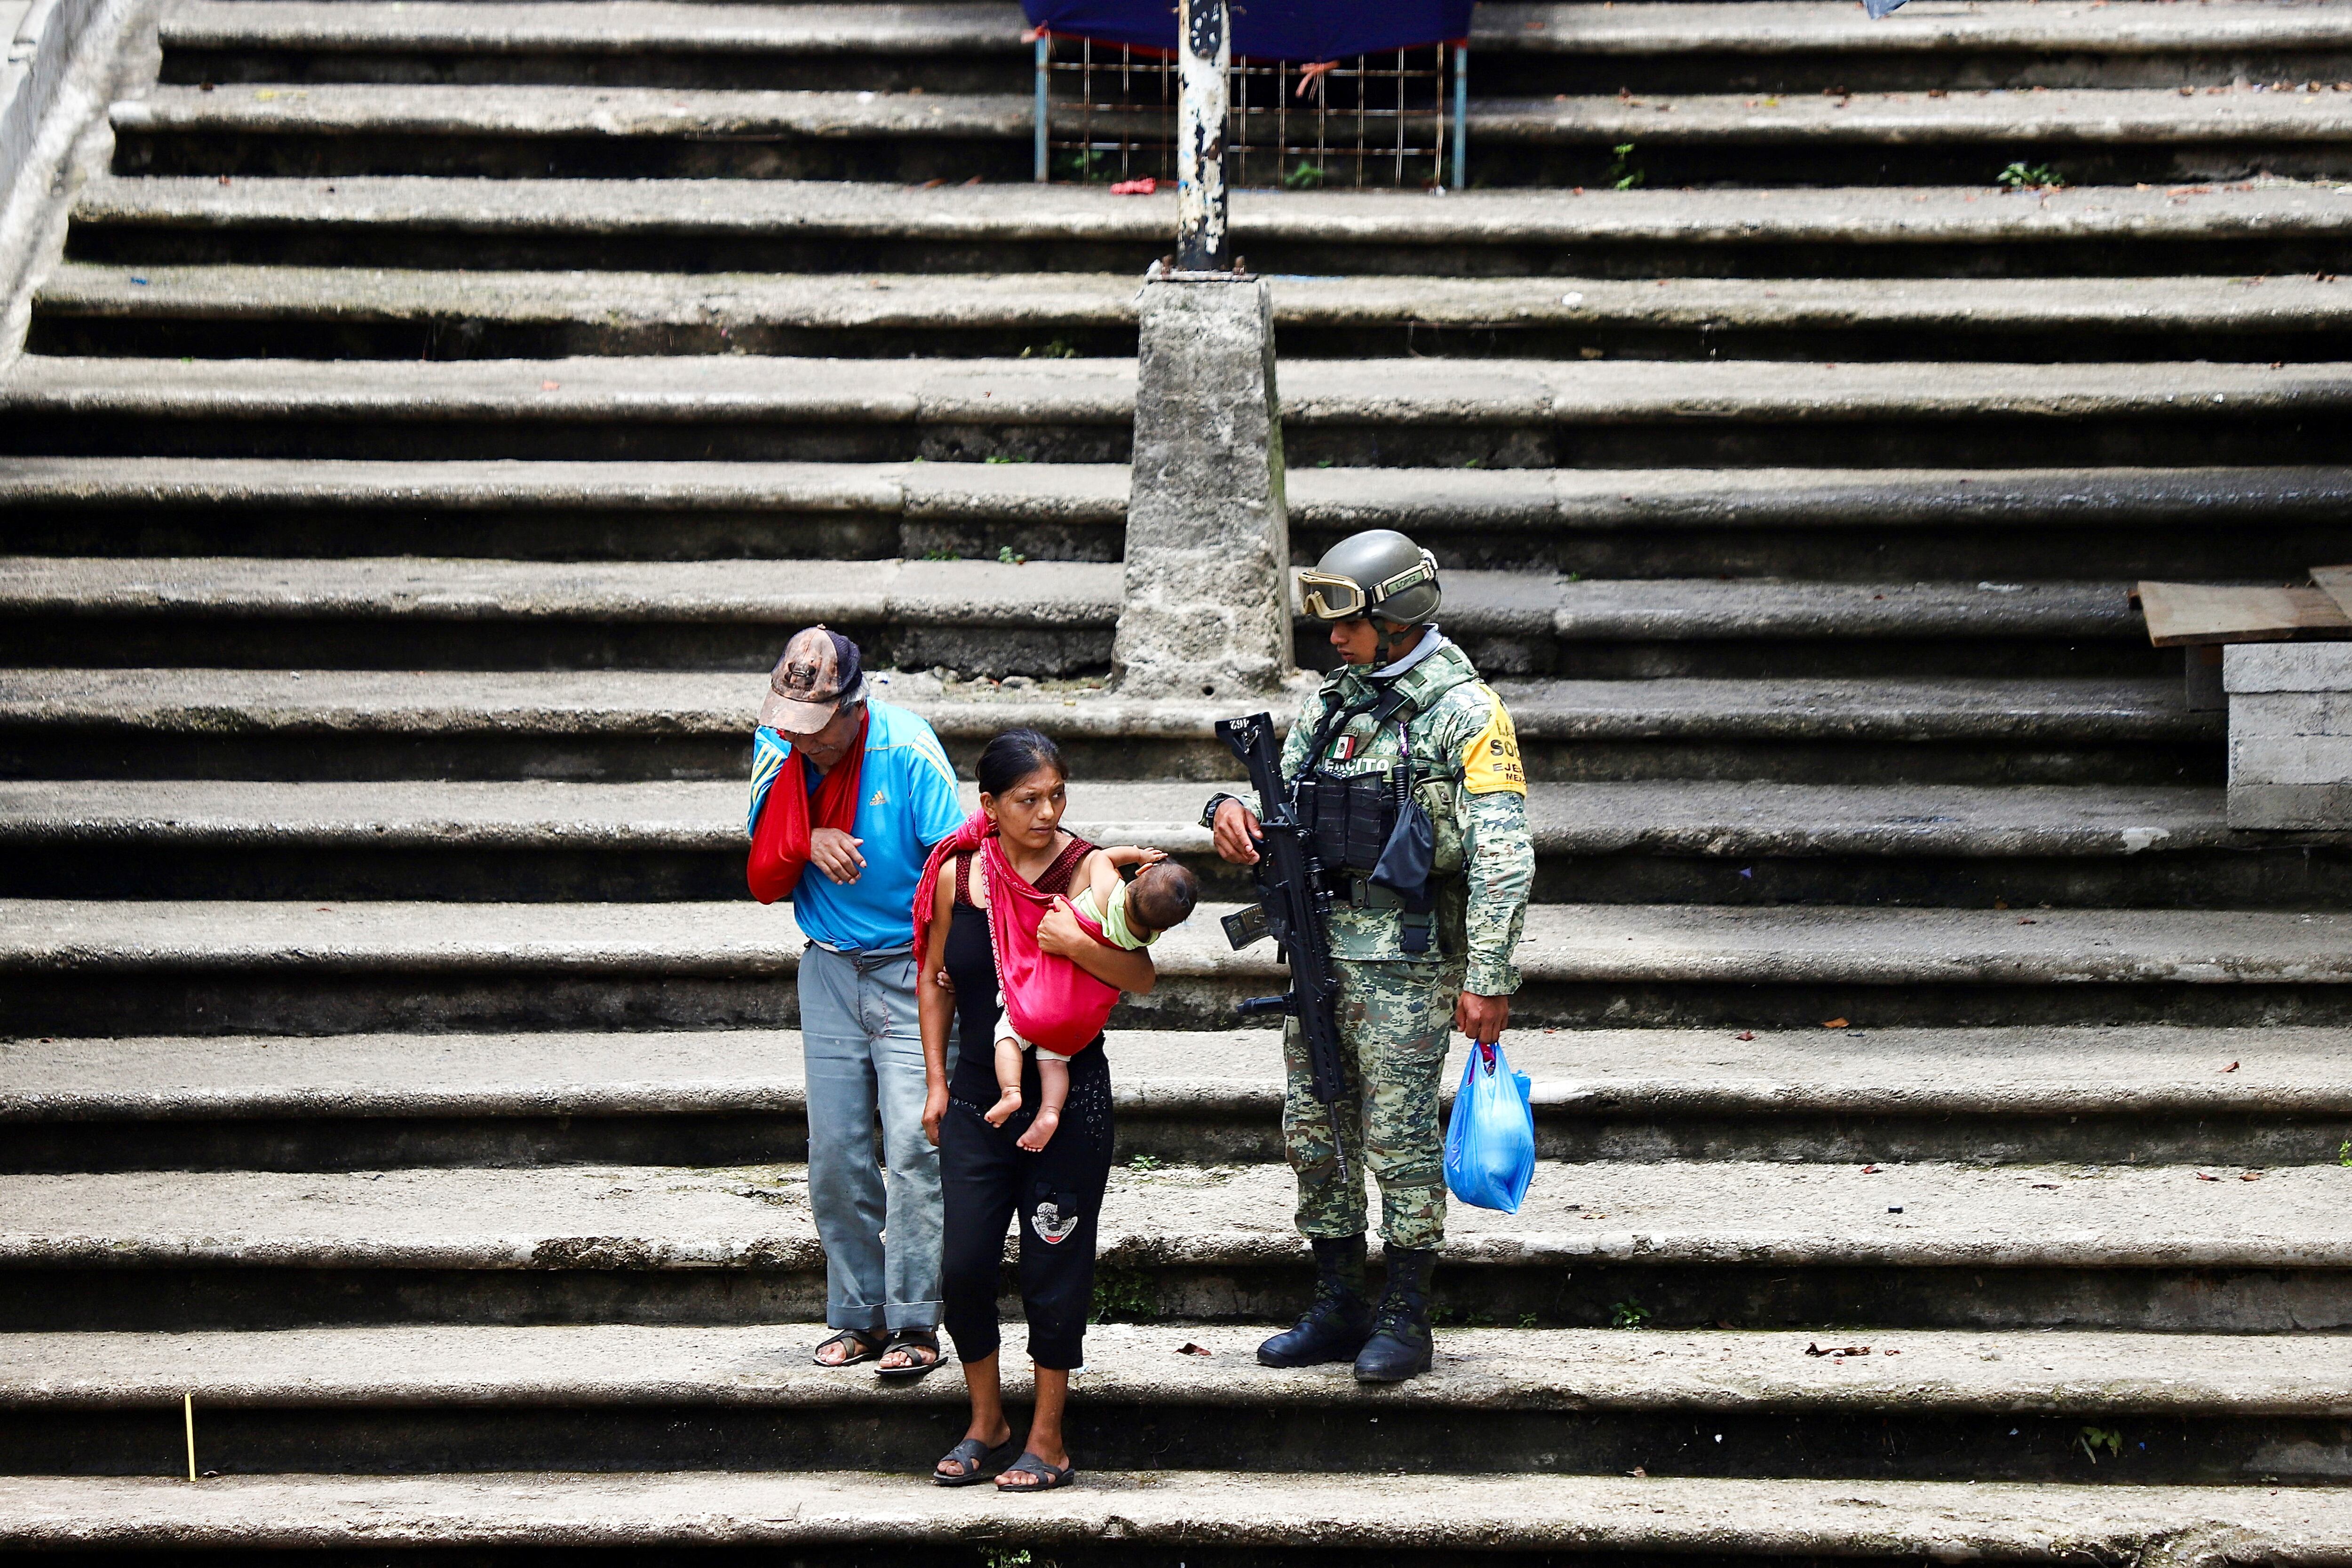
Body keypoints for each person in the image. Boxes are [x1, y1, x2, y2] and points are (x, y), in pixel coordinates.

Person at [1205, 529, 1534, 1384]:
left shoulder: (1466, 712)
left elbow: (1504, 856)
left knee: (1399, 1138)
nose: (1333, 640)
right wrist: (1232, 812)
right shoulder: (1335, 700)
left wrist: (1489, 978)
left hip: (1411, 962)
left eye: (1349, 624)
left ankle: (1405, 1311)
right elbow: (1292, 798)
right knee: (1315, 1130)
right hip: (1321, 953)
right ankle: (1338, 1297)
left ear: (1397, 617)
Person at [914, 729, 1157, 1491]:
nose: (1047, 811)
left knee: (1056, 1266)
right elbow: (932, 977)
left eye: (1058, 794)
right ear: (988, 804)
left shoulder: (1088, 869)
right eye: (1028, 798)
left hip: (1069, 1095)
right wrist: (936, 1082)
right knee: (963, 1266)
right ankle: (987, 1419)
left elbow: (1141, 975)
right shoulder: (958, 872)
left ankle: (1047, 1436)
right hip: (980, 1100)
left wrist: (1074, 942)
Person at [747, 626, 964, 1378]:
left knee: (913, 1144)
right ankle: (855, 1314)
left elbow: (954, 869)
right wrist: (809, 838)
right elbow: (762, 856)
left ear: (855, 704)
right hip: (831, 967)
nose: (804, 743)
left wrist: (943, 979)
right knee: (835, 1152)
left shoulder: (906, 749)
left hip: (912, 968)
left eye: (818, 730)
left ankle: (915, 1321)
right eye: (792, 728)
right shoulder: (779, 743)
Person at [985, 847, 1199, 1151]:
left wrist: (1137, 854)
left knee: (1007, 1033)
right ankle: (1050, 1111)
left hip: (1044, 995)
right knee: (1056, 1061)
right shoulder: (1145, 936)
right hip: (1080, 1018)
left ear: (1136, 876)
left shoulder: (1108, 893)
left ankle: (1010, 1091)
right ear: (1163, 927)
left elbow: (1102, 858)